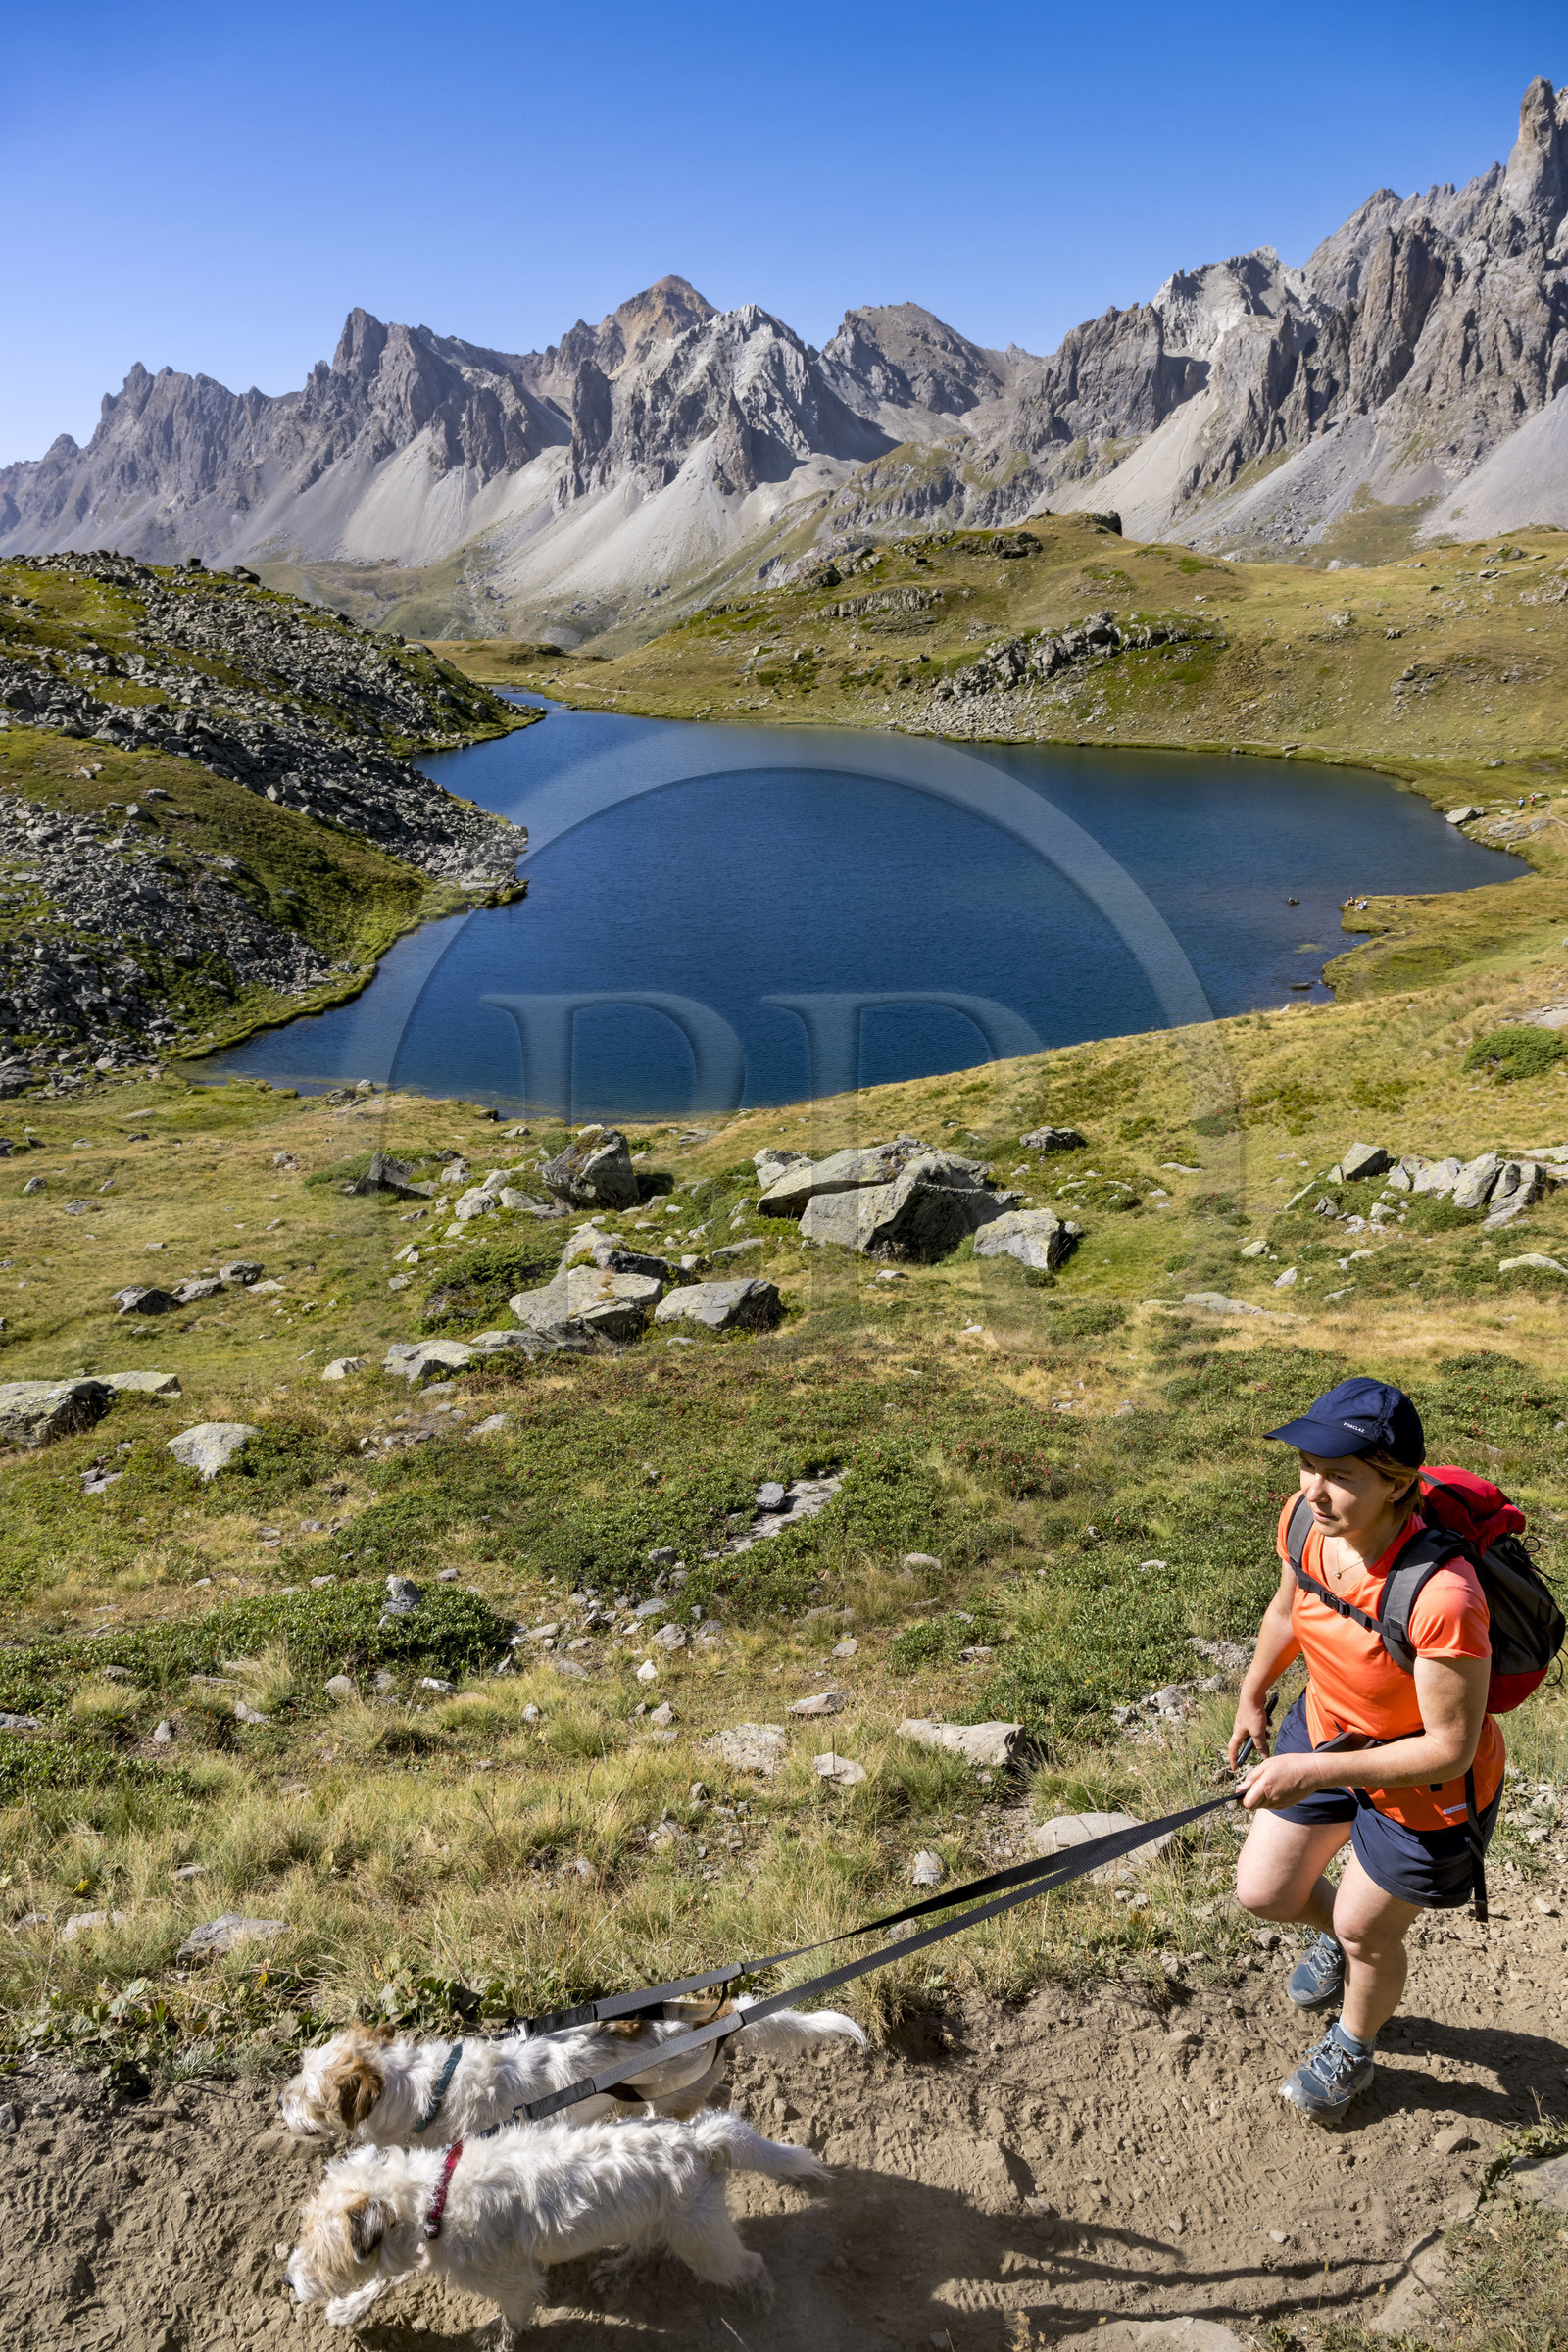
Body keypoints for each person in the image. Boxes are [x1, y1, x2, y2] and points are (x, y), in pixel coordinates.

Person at [1228, 1376, 1502, 2119]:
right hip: (1324, 1727)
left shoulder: (1443, 1594)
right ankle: (1341, 1944)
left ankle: (1353, 2044)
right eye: (1308, 1466)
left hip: (1424, 1781)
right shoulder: (1303, 1524)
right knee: (1267, 1892)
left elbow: (1449, 1746)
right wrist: (1255, 1691)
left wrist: (1314, 1769)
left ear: (1396, 1484)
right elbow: (1288, 1609)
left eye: (1342, 1475)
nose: (1315, 1490)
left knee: (1363, 1930)